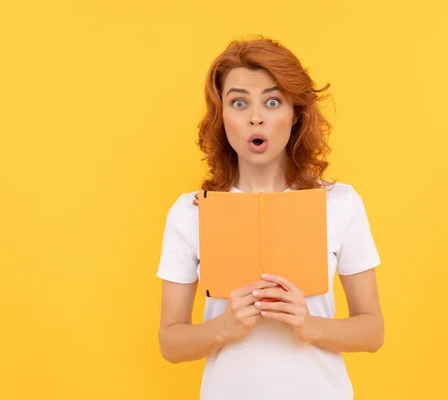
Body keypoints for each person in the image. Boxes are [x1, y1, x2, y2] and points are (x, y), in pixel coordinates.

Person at [157, 36, 384, 400]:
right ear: (222, 117)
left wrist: (308, 325)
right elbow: (170, 342)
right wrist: (223, 327)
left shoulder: (340, 204)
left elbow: (372, 332)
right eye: (239, 102)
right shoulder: (190, 212)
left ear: (295, 115)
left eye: (273, 101)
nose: (256, 117)